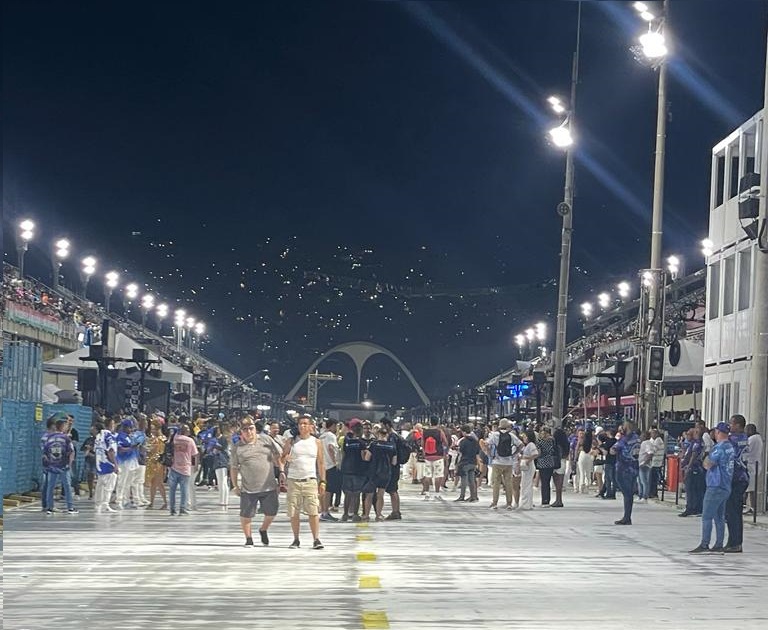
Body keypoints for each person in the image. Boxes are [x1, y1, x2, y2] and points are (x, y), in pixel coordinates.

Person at [230, 417, 283, 546]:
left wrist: (281, 471)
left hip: (268, 485)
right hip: (249, 487)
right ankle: (248, 538)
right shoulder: (237, 447)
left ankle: (263, 529)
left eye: (251, 428)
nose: (249, 432)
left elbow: (278, 454)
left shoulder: (265, 439)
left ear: (255, 429)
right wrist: (235, 485)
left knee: (272, 512)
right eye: (245, 429)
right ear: (241, 432)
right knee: (246, 514)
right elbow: (234, 467)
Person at [689, 422, 735, 554]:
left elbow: (708, 464)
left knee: (707, 516)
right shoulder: (730, 447)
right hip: (726, 485)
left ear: (718, 433)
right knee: (719, 516)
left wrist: (705, 460)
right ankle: (719, 544)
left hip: (715, 484)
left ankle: (705, 544)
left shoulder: (718, 448)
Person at [282, 415, 326, 549]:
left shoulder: (316, 442)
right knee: (294, 512)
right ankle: (296, 539)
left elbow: (321, 463)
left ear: (311, 426)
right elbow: (282, 459)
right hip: (294, 480)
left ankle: (316, 539)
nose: (303, 426)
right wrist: (285, 459)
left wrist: (323, 481)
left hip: (310, 480)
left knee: (313, 511)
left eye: (306, 424)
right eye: (301, 424)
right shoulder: (291, 441)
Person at [724, 414, 750, 553]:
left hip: (735, 478)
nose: (730, 426)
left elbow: (729, 457)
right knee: (735, 512)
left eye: (732, 423)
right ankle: (734, 541)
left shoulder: (733, 439)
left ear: (738, 425)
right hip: (743, 477)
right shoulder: (744, 438)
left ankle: (735, 542)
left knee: (732, 512)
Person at [41, 419, 78, 515]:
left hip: (52, 466)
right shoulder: (66, 438)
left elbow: (45, 453)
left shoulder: (49, 438)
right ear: (62, 427)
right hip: (63, 466)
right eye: (65, 425)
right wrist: (69, 464)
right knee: (67, 486)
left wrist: (49, 462)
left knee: (50, 487)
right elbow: (71, 452)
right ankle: (70, 507)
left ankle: (49, 507)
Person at [486, 418, 523, 510]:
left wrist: (490, 454)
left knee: (496, 484)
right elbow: (521, 445)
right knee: (508, 483)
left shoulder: (495, 435)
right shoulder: (511, 435)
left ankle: (495, 503)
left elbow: (486, 444)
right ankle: (509, 503)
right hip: (508, 462)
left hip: (497, 462)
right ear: (508, 426)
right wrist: (514, 454)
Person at [361, 427, 397, 521]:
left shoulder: (373, 444)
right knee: (380, 495)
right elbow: (394, 462)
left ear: (378, 434)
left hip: (374, 473)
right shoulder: (391, 446)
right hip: (386, 473)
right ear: (387, 435)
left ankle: (366, 515)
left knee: (369, 494)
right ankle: (379, 515)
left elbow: (367, 458)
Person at [611, 420, 640, 525]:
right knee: (629, 494)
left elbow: (613, 450)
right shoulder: (637, 438)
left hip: (624, 468)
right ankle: (628, 516)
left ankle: (627, 517)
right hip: (634, 468)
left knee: (627, 494)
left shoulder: (624, 439)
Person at [340, 419, 367, 522]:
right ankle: (355, 514)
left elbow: (344, 453)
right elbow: (363, 457)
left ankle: (345, 514)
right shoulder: (361, 443)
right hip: (358, 470)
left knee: (347, 493)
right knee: (356, 493)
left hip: (346, 469)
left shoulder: (346, 441)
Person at [168, 424, 198, 516]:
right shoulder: (190, 440)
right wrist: (195, 466)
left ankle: (172, 509)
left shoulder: (175, 438)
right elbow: (195, 454)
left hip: (173, 467)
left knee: (172, 490)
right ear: (186, 431)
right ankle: (182, 509)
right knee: (184, 490)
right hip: (185, 468)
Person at [381, 417, 405, 520]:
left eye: (382, 425)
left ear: (386, 425)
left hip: (392, 466)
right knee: (393, 489)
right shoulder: (396, 435)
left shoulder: (392, 437)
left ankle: (396, 512)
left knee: (392, 489)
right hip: (395, 465)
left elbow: (392, 451)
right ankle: (396, 511)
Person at [679, 427, 705, 517]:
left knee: (690, 489)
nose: (688, 436)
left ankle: (690, 508)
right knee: (694, 490)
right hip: (694, 468)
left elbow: (693, 456)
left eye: (690, 434)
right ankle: (695, 508)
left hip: (694, 468)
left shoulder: (697, 443)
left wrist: (688, 468)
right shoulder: (693, 443)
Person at [94, 419, 118, 514]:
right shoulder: (109, 436)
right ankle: (105, 504)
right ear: (111, 425)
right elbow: (111, 451)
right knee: (109, 485)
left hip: (100, 464)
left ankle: (98, 504)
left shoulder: (99, 436)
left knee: (100, 485)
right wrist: (115, 464)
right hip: (108, 464)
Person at [420, 417, 448, 500]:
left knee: (427, 475)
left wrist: (425, 452)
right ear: (438, 422)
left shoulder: (425, 432)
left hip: (428, 456)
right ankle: (437, 494)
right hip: (438, 456)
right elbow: (446, 442)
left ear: (430, 422)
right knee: (438, 475)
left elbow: (422, 443)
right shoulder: (440, 431)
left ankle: (427, 493)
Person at [115, 418, 140, 509]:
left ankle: (126, 501)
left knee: (128, 482)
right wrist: (131, 448)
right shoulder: (120, 436)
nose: (131, 429)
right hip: (123, 462)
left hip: (131, 462)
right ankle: (119, 501)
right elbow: (120, 449)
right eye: (130, 427)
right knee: (122, 481)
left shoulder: (129, 436)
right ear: (125, 427)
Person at [319, 419, 341, 522]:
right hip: (330, 466)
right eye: (336, 426)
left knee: (324, 489)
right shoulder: (331, 436)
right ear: (332, 426)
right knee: (328, 491)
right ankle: (325, 512)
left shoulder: (322, 436)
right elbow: (331, 448)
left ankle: (323, 510)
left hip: (322, 466)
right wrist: (335, 462)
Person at [145, 421, 167, 510]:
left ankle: (165, 502)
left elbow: (161, 452)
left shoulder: (162, 439)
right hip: (151, 462)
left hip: (159, 463)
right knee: (153, 483)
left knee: (159, 483)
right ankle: (152, 502)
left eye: (154, 429)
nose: (152, 431)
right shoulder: (153, 439)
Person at [455, 424, 480, 502]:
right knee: (472, 480)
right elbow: (477, 452)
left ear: (464, 432)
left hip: (465, 462)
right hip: (473, 462)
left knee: (463, 481)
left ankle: (462, 496)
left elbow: (461, 452)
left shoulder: (463, 441)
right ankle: (473, 496)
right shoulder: (475, 441)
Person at [534, 427, 558, 507]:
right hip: (550, 463)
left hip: (542, 463)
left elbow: (539, 453)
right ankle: (547, 500)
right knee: (547, 482)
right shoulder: (552, 441)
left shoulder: (539, 441)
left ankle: (544, 501)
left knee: (544, 483)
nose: (543, 435)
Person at [744, 423, 763, 515]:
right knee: (750, 488)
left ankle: (752, 507)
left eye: (746, 430)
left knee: (750, 488)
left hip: (751, 464)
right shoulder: (758, 438)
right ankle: (750, 506)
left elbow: (746, 450)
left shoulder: (752, 439)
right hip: (755, 464)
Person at [519, 430, 539, 510]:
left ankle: (525, 504)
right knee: (527, 485)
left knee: (525, 485)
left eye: (525, 436)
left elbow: (535, 454)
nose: (524, 438)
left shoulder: (531, 445)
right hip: (526, 464)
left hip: (529, 465)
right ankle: (528, 503)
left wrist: (528, 460)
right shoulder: (527, 445)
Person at [211, 426, 231, 507]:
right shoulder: (219, 439)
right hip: (219, 461)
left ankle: (223, 500)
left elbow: (221, 449)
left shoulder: (222, 439)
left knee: (222, 482)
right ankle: (223, 500)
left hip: (221, 461)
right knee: (222, 482)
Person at [552, 428, 570, 508]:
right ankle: (559, 500)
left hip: (557, 463)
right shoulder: (566, 444)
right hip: (563, 462)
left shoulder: (556, 444)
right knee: (560, 482)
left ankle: (558, 500)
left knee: (557, 483)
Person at [81, 424, 98, 500]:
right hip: (88, 460)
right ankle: (91, 492)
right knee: (89, 476)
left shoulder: (100, 439)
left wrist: (91, 448)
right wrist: (87, 451)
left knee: (96, 477)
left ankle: (97, 492)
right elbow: (83, 448)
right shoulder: (88, 439)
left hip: (97, 460)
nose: (91, 430)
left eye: (93, 429)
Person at [637, 430, 654, 502]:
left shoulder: (646, 443)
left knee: (644, 481)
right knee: (640, 481)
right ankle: (640, 495)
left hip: (644, 464)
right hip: (640, 463)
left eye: (642, 435)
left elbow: (650, 453)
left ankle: (644, 496)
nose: (640, 437)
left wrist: (645, 462)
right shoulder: (643, 443)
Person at [649, 428, 665, 498]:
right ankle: (652, 492)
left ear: (656, 434)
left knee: (653, 479)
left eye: (652, 433)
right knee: (653, 479)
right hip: (655, 463)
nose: (651, 435)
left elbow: (653, 450)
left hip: (655, 463)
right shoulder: (655, 440)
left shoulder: (658, 440)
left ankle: (653, 493)